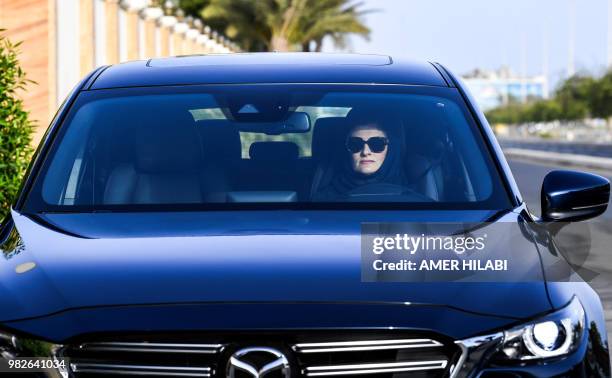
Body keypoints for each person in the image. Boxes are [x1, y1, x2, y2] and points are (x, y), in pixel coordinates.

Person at [312, 109, 407, 201]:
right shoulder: (323, 200)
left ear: (390, 149)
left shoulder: (413, 196)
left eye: (377, 144)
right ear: (346, 149)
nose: (365, 152)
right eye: (355, 144)